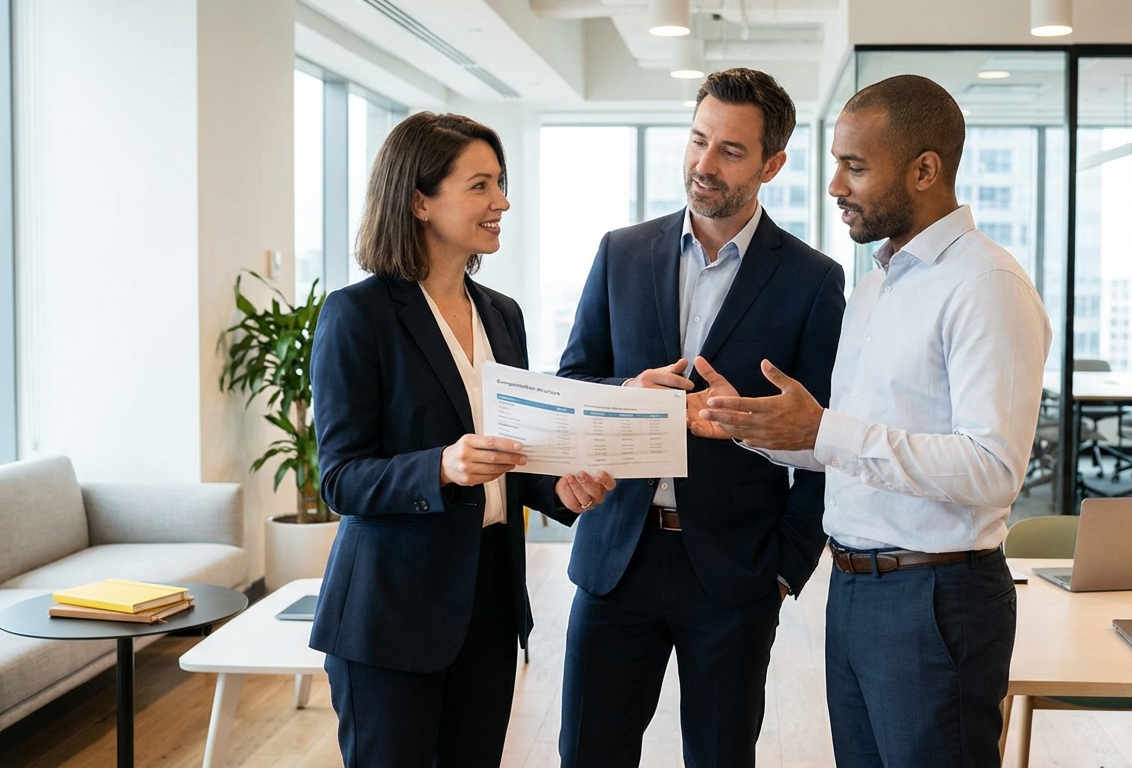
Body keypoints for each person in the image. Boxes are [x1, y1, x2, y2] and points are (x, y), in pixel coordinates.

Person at [696, 74, 1052, 767]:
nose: (835, 185)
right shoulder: (880, 282)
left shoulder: (986, 287)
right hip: (856, 588)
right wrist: (753, 426)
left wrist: (824, 430)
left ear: (926, 170)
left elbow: (992, 469)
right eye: (836, 163)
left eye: (854, 167)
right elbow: (853, 444)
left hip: (935, 597)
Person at [555, 68, 846, 768]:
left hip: (735, 571)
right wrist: (629, 392)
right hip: (616, 558)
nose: (703, 165)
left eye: (730, 151)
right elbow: (573, 382)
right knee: (588, 754)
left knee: (720, 757)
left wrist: (784, 567)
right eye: (697, 141)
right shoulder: (621, 253)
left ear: (773, 164)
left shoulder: (812, 281)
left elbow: (825, 431)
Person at [308, 112, 615, 768]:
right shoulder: (357, 316)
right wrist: (441, 467)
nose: (501, 201)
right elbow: (340, 478)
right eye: (480, 185)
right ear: (419, 200)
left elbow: (512, 456)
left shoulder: (502, 315)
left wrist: (558, 486)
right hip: (390, 617)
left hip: (488, 605)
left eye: (500, 183)